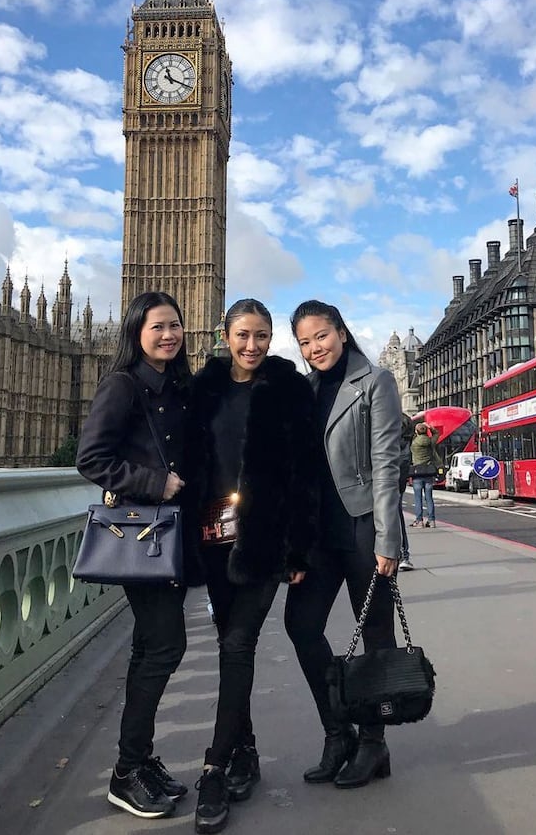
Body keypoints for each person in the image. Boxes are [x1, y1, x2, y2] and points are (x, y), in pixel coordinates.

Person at [186, 298, 320, 834]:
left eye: (262, 335)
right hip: (213, 541)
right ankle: (247, 753)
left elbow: (305, 474)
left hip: (264, 543)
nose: (252, 345)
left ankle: (214, 766)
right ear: (225, 334)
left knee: (238, 644)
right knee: (229, 643)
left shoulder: (287, 387)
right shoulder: (204, 386)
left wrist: (297, 551)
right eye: (243, 334)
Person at [76, 291, 195, 821]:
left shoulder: (174, 387)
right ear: (135, 333)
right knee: (165, 647)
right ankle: (126, 772)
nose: (168, 334)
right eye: (157, 327)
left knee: (151, 649)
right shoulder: (122, 385)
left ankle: (138, 763)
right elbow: (91, 458)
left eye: (174, 326)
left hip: (169, 535)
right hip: (141, 537)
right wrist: (154, 482)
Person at [284, 299, 402, 790]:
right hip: (318, 536)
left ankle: (373, 743)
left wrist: (389, 539)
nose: (314, 348)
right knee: (301, 625)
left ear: (341, 331)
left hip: (361, 531)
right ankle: (338, 731)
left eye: (321, 336)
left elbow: (387, 464)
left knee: (375, 638)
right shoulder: (306, 390)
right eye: (305, 342)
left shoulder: (375, 382)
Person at [410, 421, 441, 528]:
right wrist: (429, 427)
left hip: (417, 473)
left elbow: (410, 435)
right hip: (428, 472)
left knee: (417, 498)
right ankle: (431, 520)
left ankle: (419, 521)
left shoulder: (414, 443)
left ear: (416, 432)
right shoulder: (430, 442)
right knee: (429, 498)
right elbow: (437, 433)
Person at [397, 414, 415, 570]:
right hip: (399, 476)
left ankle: (403, 554)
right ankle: (404, 555)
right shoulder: (405, 420)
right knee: (397, 513)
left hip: (389, 476)